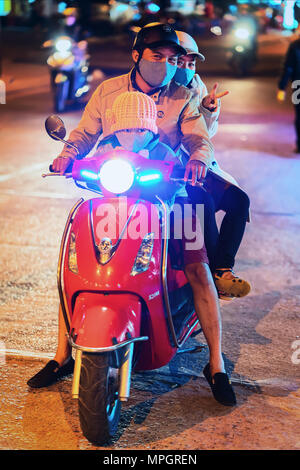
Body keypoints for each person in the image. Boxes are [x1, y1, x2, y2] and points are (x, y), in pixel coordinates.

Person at [27, 41, 236, 405]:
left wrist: (195, 162)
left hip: (171, 206)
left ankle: (216, 364)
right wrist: (68, 156)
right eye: (158, 55)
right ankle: (62, 355)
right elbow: (84, 137)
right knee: (71, 268)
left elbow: (199, 140)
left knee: (198, 269)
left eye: (171, 58)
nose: (130, 135)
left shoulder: (181, 100)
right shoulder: (108, 111)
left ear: (149, 126)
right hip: (115, 208)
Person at [174, 30, 251, 301]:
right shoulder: (151, 90)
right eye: (180, 61)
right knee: (202, 201)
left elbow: (204, 135)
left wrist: (208, 109)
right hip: (167, 171)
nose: (186, 68)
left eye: (191, 63)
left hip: (198, 164)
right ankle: (212, 273)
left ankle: (221, 270)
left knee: (240, 200)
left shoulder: (196, 86)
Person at [277, 31, 300, 153]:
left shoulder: (295, 45)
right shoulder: (294, 46)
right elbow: (288, 67)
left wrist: (282, 87)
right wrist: (281, 87)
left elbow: (288, 67)